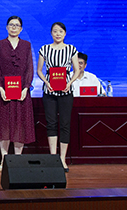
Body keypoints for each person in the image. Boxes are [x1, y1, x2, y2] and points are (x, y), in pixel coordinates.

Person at [0, 16, 36, 171]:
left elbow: (29, 68)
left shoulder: (26, 45)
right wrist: (0, 87)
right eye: (11, 24)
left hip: (22, 92)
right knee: (3, 126)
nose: (14, 27)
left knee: (19, 125)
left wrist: (26, 88)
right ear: (6, 27)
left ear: (21, 29)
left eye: (17, 25)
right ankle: (4, 160)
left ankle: (17, 160)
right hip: (3, 92)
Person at [36, 21, 80, 172]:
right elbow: (39, 70)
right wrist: (46, 82)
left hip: (66, 91)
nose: (58, 34)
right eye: (55, 31)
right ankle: (53, 157)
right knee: (51, 123)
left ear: (65, 33)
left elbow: (77, 70)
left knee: (65, 124)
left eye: (60, 31)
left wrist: (70, 83)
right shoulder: (44, 49)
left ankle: (62, 159)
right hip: (49, 91)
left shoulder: (71, 49)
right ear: (51, 33)